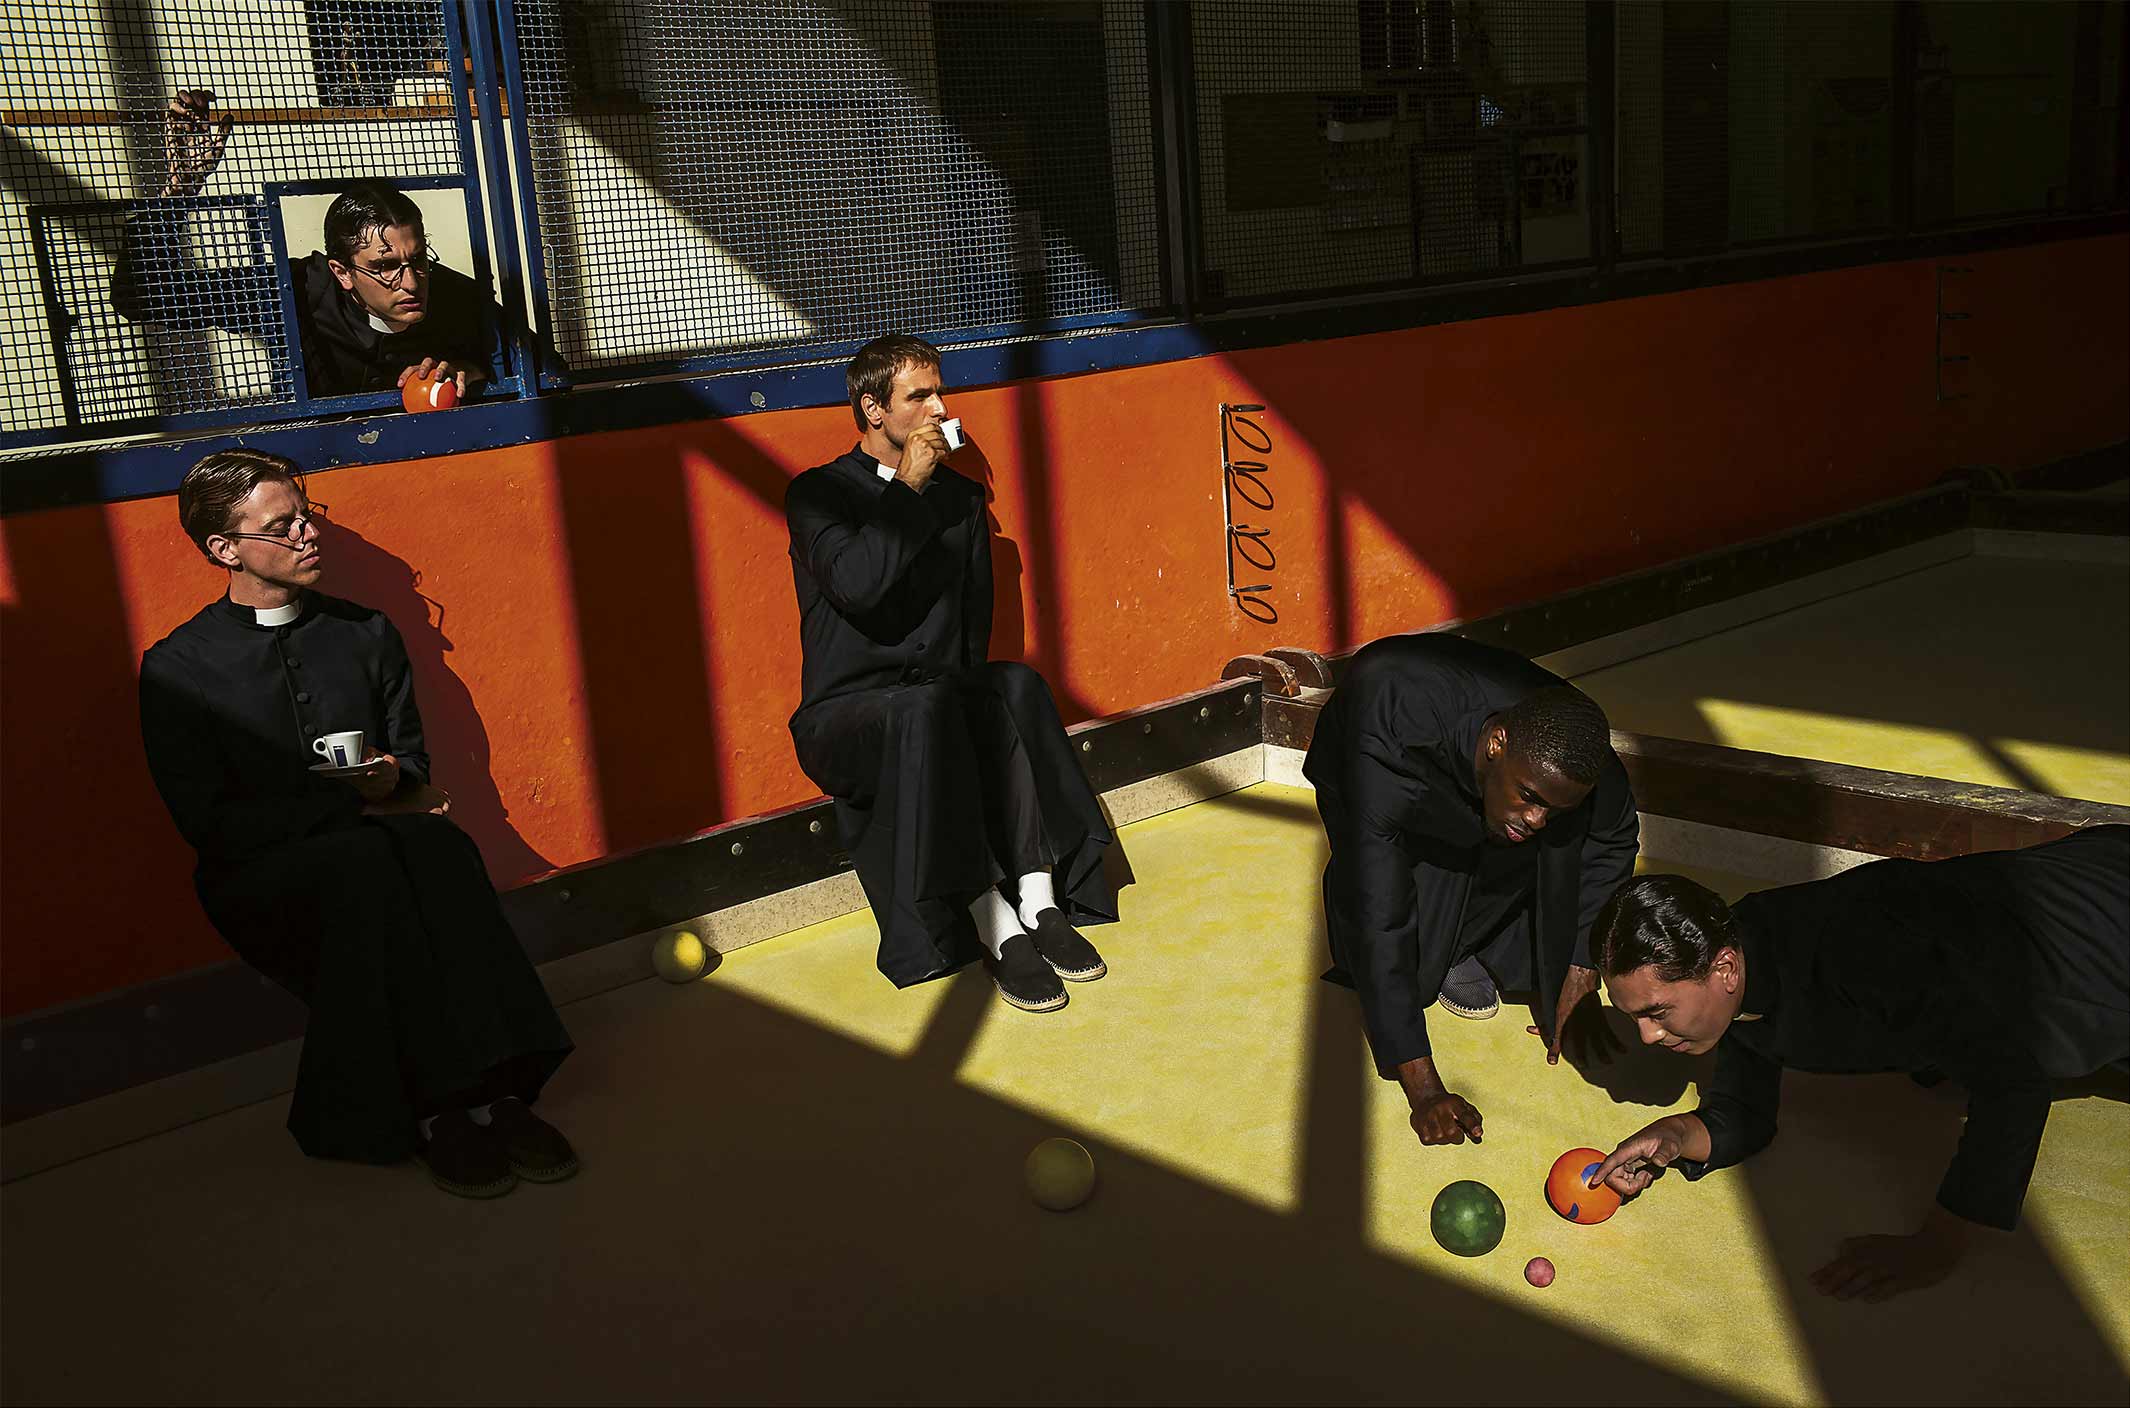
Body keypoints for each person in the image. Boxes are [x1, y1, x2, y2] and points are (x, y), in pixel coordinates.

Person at [138, 448, 576, 1198]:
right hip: (262, 873)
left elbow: (412, 762)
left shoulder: (366, 632)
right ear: (225, 549)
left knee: (438, 850)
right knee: (373, 866)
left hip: (379, 848)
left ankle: (496, 1094)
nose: (308, 534)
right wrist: (355, 803)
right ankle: (445, 1107)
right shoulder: (179, 668)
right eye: (282, 526)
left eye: (307, 515)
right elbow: (209, 823)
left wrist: (391, 779)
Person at [1589, 828, 2130, 1302]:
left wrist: (1938, 1245)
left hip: (2101, 943)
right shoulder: (1736, 962)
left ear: (1724, 970)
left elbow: (2013, 1082)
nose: (1646, 1036)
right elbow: (1744, 1113)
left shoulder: (1863, 952)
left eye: (1656, 1012)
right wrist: (1674, 1137)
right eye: (1634, 1016)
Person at [784, 334, 1115, 1012]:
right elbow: (857, 586)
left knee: (1013, 685)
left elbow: (969, 630)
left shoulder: (959, 499)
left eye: (940, 393)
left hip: (931, 699)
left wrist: (980, 718)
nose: (939, 408)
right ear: (873, 409)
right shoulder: (818, 494)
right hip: (846, 714)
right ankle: (994, 923)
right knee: (929, 710)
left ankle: (1039, 900)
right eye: (919, 396)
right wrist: (907, 486)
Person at [1303, 633, 1637, 1146]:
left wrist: (1580, 965)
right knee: (1401, 968)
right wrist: (1424, 1089)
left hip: (1481, 775)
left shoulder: (1574, 754)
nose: (1537, 817)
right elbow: (1380, 912)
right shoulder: (1388, 739)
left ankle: (1470, 938)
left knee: (1553, 882)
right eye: (1529, 796)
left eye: (1552, 806)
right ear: (1497, 744)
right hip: (1376, 757)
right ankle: (1447, 940)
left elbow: (1614, 838)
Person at [109, 89, 507, 399]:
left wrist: (475, 371)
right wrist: (177, 197)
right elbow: (142, 297)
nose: (411, 282)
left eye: (417, 259)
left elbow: (536, 363)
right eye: (385, 266)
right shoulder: (296, 290)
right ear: (341, 272)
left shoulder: (454, 295)